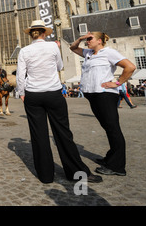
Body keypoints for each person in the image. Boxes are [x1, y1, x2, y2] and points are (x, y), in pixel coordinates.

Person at [16, 20, 102, 184]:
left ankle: (46, 176)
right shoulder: (53, 47)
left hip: (33, 94)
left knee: (38, 135)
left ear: (31, 34)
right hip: (53, 93)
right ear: (44, 33)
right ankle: (76, 172)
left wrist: (22, 93)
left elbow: (21, 75)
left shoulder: (24, 51)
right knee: (63, 133)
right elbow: (60, 66)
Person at [70, 32, 136, 176]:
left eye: (90, 39)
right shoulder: (89, 53)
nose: (87, 41)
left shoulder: (109, 52)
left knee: (113, 129)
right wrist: (80, 38)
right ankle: (111, 158)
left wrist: (117, 83)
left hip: (105, 95)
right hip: (93, 95)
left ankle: (117, 167)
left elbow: (130, 67)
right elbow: (73, 48)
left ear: (99, 41)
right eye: (86, 39)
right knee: (108, 127)